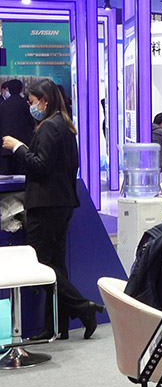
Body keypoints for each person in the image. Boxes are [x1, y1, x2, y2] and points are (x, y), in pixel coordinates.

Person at [2, 79, 103, 340]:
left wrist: (18, 148)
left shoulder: (49, 127)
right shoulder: (64, 126)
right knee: (55, 265)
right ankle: (57, 326)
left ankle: (83, 307)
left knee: (41, 265)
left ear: (44, 101)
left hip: (46, 205)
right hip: (60, 203)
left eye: (32, 101)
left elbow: (41, 165)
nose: (30, 106)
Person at [0, 79, 34, 175]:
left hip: (6, 145)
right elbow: (31, 123)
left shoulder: (3, 105)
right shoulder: (25, 104)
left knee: (9, 173)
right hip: (23, 145)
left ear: (9, 89)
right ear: (21, 89)